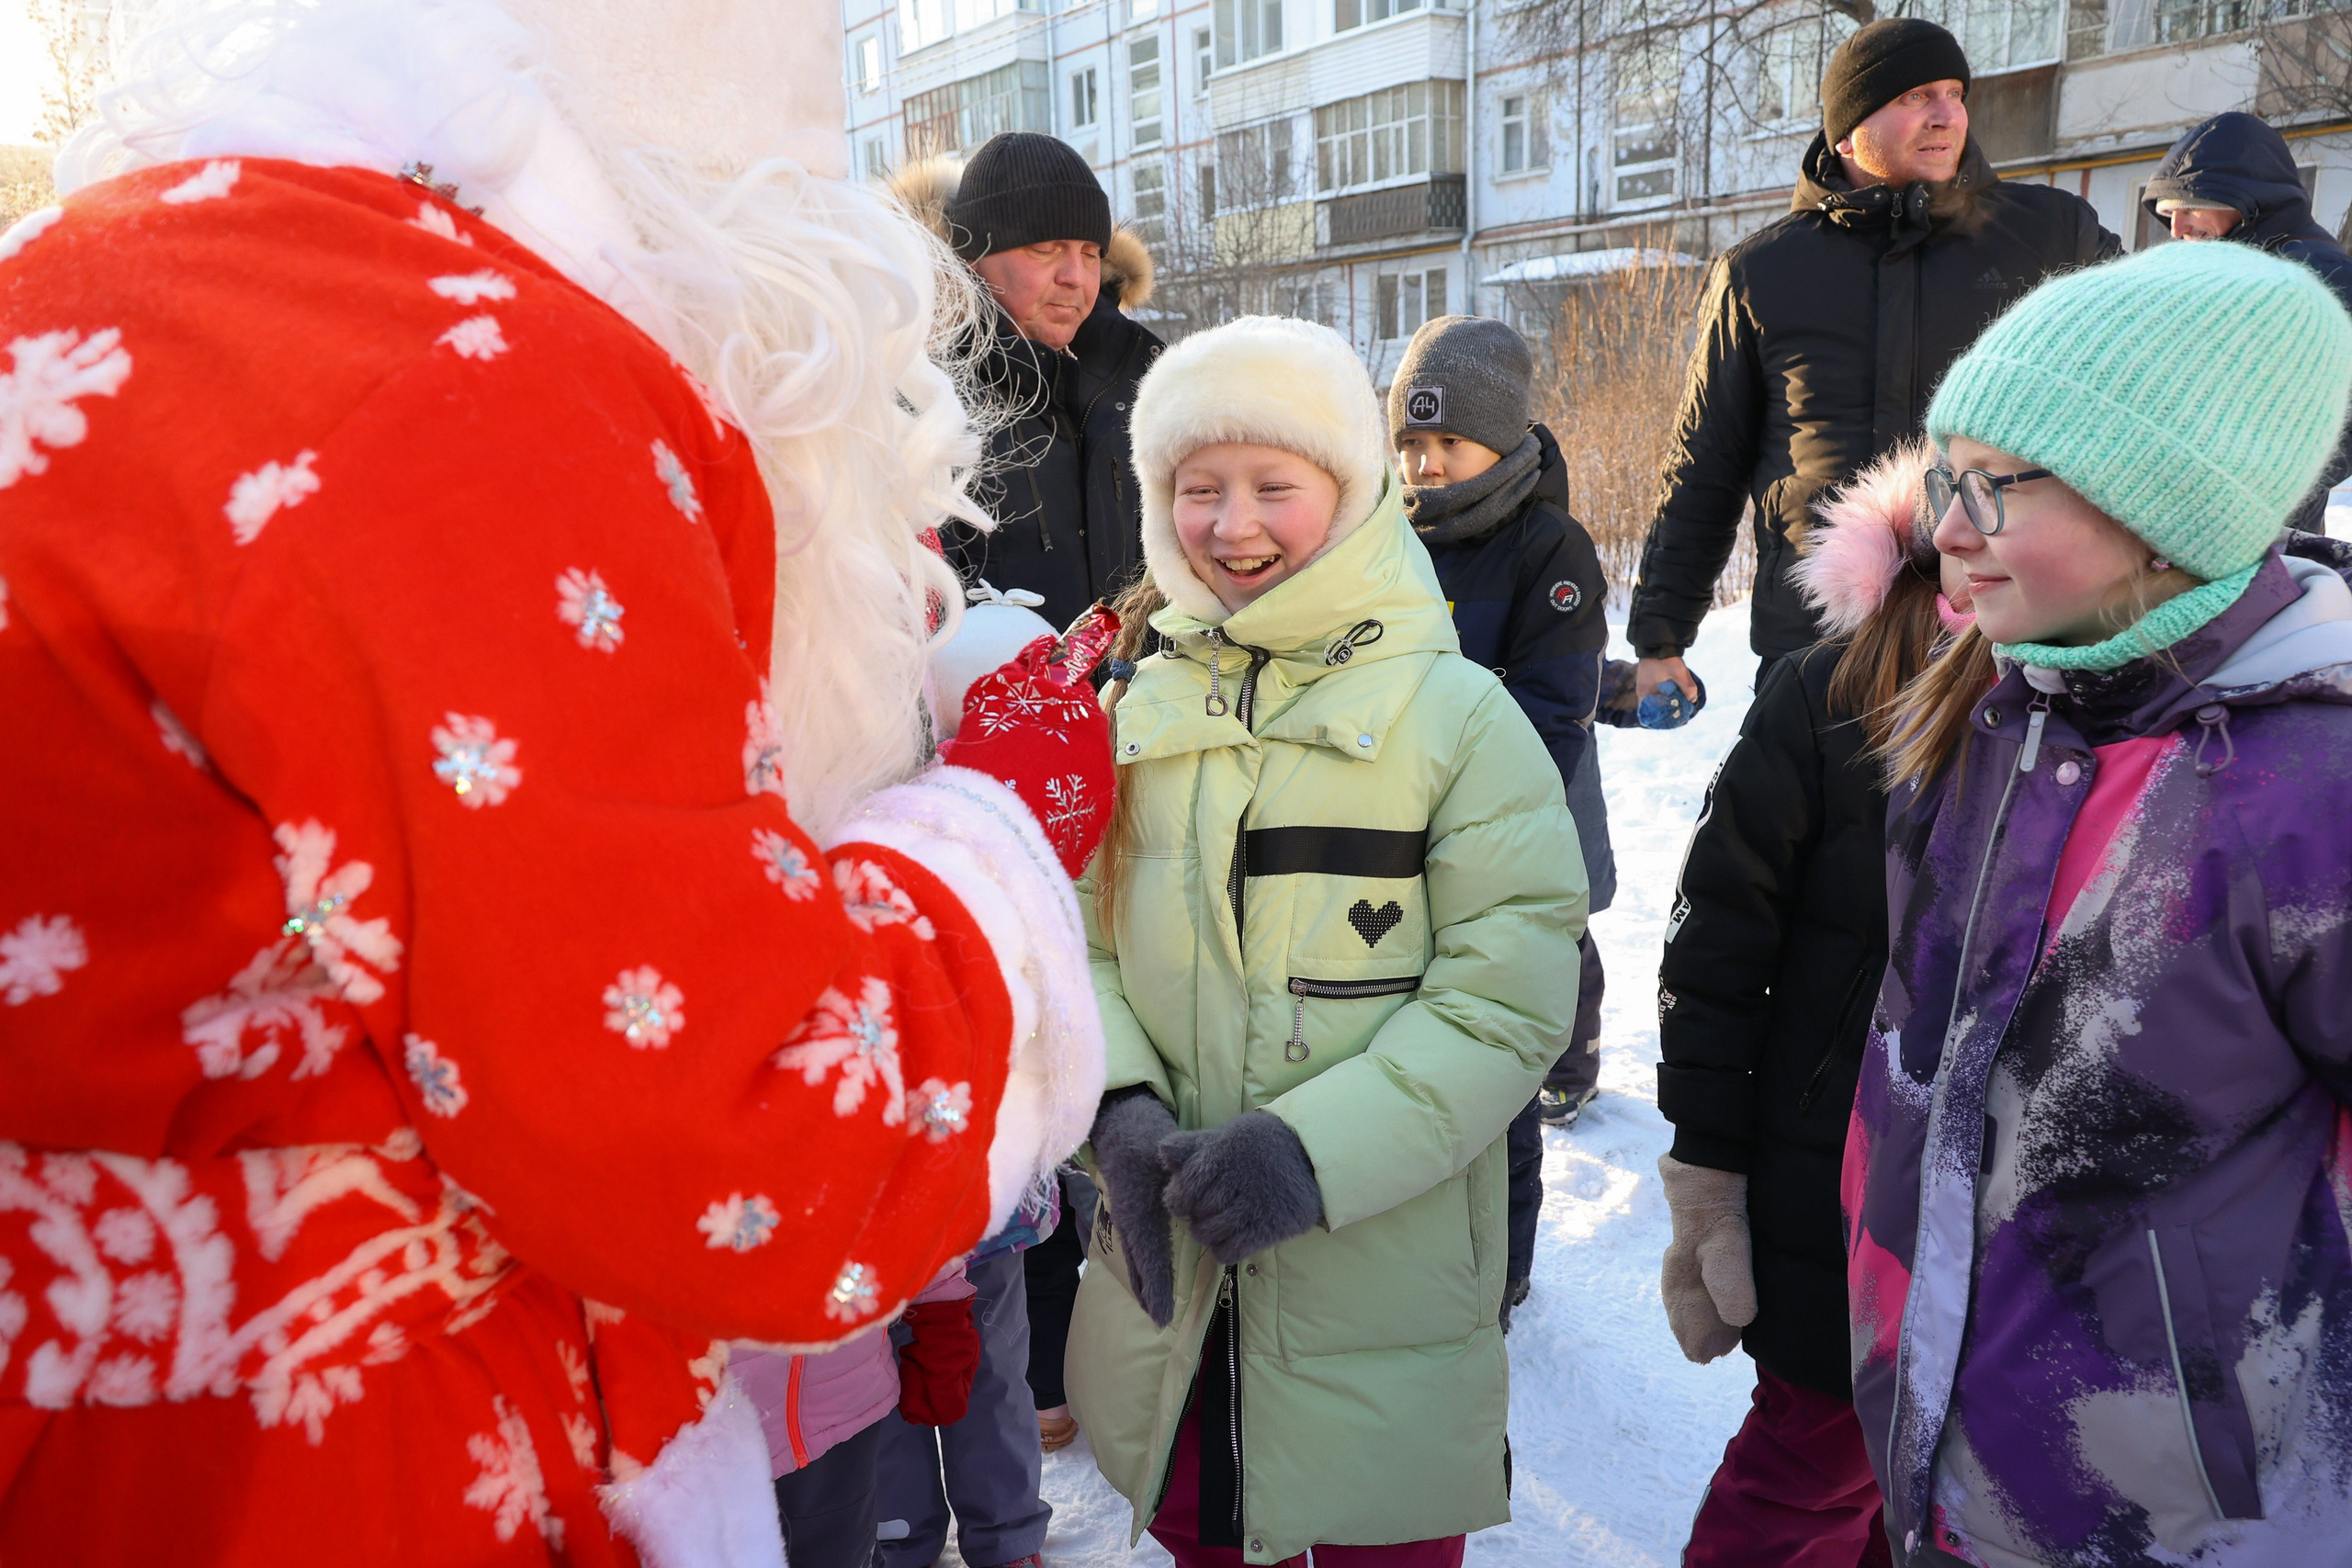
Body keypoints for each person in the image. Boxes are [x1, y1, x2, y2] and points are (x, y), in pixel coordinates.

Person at [0, 0, 1117, 1560]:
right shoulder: (467, 376)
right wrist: (992, 826)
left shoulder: (116, 276)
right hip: (322, 1481)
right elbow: (751, 1141)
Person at [1851, 241, 2352, 1564]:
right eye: (1942, 477)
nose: (1944, 528)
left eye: (1992, 489)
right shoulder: (1994, 715)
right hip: (1950, 1443)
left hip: (2171, 1509)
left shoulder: (2310, 787)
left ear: (2157, 505)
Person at [1062, 315, 1587, 1565]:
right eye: (1199, 489)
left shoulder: (1457, 717)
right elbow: (1070, 942)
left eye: (1273, 485)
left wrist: (1310, 1151)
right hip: (1175, 1282)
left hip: (1378, 1278)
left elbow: (1506, 1001)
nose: (1233, 525)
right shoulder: (1132, 710)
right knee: (1202, 1527)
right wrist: (1118, 1102)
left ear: (1349, 492)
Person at [1653, 438, 1964, 1568]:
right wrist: (1706, 1169)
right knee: (1813, 1467)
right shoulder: (1826, 698)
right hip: (1827, 1190)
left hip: (2002, 1221)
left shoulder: (2095, 724)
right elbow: (1718, 943)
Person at [1626, 16, 2117, 708]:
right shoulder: (1760, 273)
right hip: (1822, 647)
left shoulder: (2050, 237)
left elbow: (2142, 399)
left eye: (1954, 92)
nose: (1947, 115)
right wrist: (1661, 636)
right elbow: (1704, 464)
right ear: (1848, 130)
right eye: (1916, 97)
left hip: (2006, 638)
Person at [1386, 313, 1611, 1325]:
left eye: (1449, 443)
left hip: (1510, 833)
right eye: (1412, 444)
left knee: (1495, 1057)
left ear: (1505, 437)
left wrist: (1441, 787)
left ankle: (1505, 1261)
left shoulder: (1547, 546)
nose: (1429, 466)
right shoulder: (1383, 536)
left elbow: (1552, 707)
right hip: (1395, 836)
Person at [895, 134, 1166, 630]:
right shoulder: (922, 402)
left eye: (1090, 253)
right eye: (1045, 248)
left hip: (1135, 704)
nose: (1075, 276)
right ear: (973, 258)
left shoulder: (1142, 388)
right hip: (990, 703)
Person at [2143, 110, 2352, 528]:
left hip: (2261, 530)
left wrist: (2261, 488)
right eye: (2168, 214)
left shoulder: (2315, 269)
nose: (2176, 228)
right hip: (2208, 522)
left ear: (2251, 201)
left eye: (2192, 207)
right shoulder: (2232, 265)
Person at [737, 1264, 980, 1568]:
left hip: (842, 1406)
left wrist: (942, 1310)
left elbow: (913, 1222)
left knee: (841, 1549)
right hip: (710, 1425)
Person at [874, 1190, 1059, 1568]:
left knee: (990, 1374)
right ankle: (897, 1536)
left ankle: (1006, 1535)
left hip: (984, 1211)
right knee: (876, 1389)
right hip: (862, 1220)